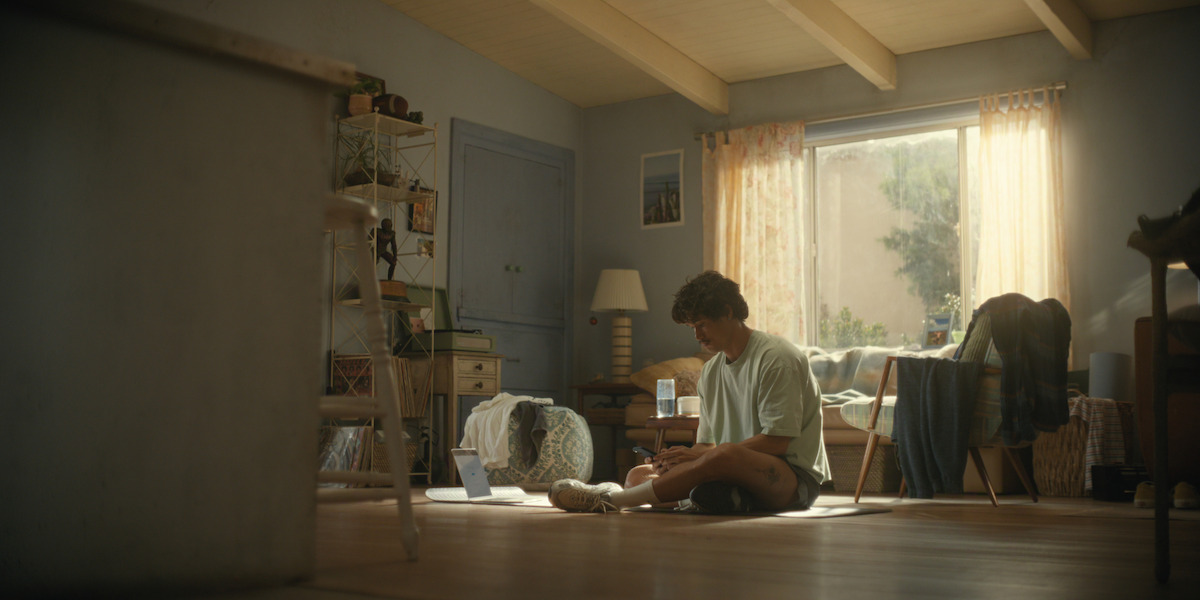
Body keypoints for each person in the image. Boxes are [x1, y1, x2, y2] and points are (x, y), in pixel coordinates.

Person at [549, 271, 830, 514]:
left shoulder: (776, 357)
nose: (697, 335)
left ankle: (612, 500)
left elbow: (776, 443)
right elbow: (706, 447)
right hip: (729, 471)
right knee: (638, 476)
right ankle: (724, 500)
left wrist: (704, 458)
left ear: (728, 311)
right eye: (691, 327)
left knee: (726, 454)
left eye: (702, 324)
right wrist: (676, 459)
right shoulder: (710, 373)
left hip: (792, 481)